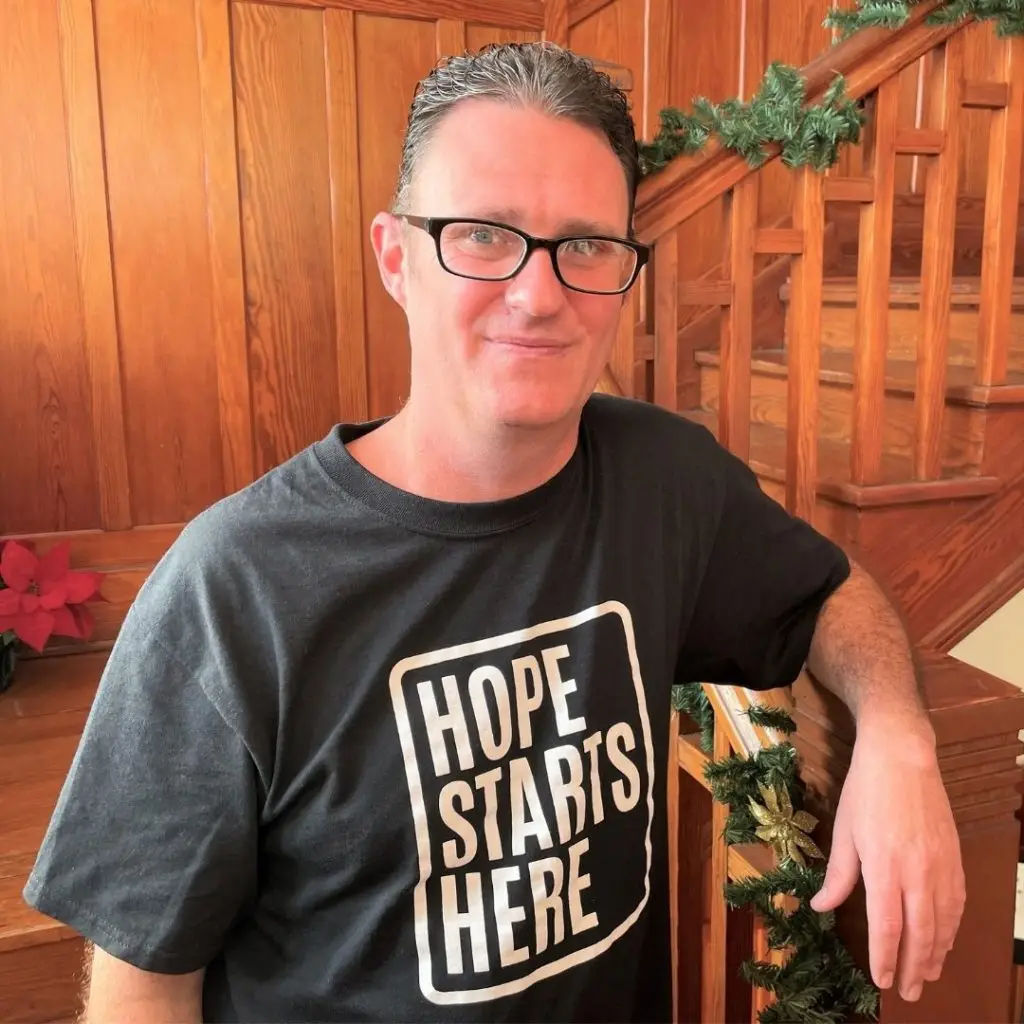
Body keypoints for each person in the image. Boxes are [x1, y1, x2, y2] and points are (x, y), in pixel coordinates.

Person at [24, 42, 964, 1023]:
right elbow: (143, 981)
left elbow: (826, 594)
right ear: (396, 257)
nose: (539, 294)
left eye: (586, 245)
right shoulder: (235, 583)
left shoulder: (664, 479)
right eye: (482, 235)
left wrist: (898, 732)